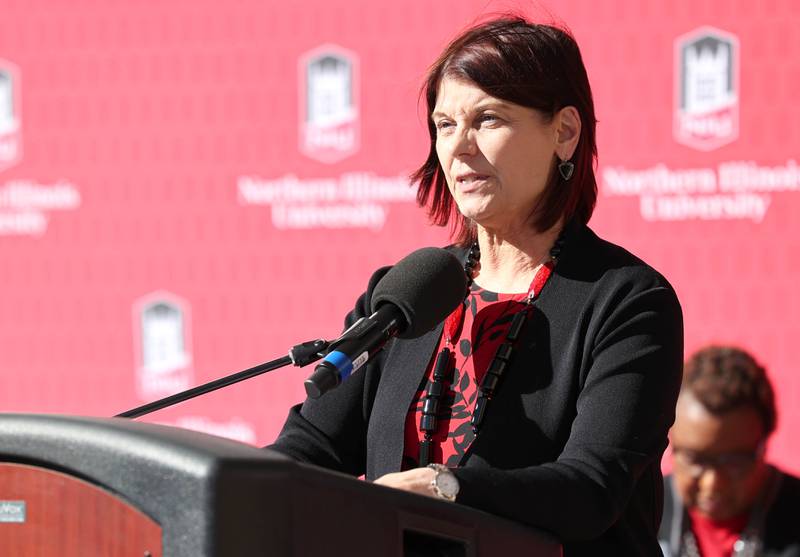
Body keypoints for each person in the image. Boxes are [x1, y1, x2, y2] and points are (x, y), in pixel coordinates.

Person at [270, 16, 683, 555]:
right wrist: (223, 482)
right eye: (445, 124)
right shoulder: (406, 294)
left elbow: (591, 489)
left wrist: (445, 486)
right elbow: (313, 446)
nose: (459, 148)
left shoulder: (627, 301)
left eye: (486, 120)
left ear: (565, 132)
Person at [660, 346, 800, 557]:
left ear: (763, 445)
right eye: (694, 459)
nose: (712, 482)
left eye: (734, 462)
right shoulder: (638, 514)